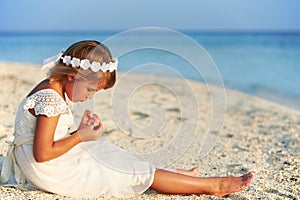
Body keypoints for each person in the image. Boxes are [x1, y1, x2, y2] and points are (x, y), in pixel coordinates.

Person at [0, 40, 253, 198]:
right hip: (48, 170)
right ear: (72, 76)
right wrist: (79, 136)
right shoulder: (52, 99)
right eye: (89, 90)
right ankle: (213, 186)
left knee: (108, 152)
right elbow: (42, 153)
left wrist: (79, 131)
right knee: (124, 170)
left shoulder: (50, 85)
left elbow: (45, 135)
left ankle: (172, 174)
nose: (88, 97)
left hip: (37, 162)